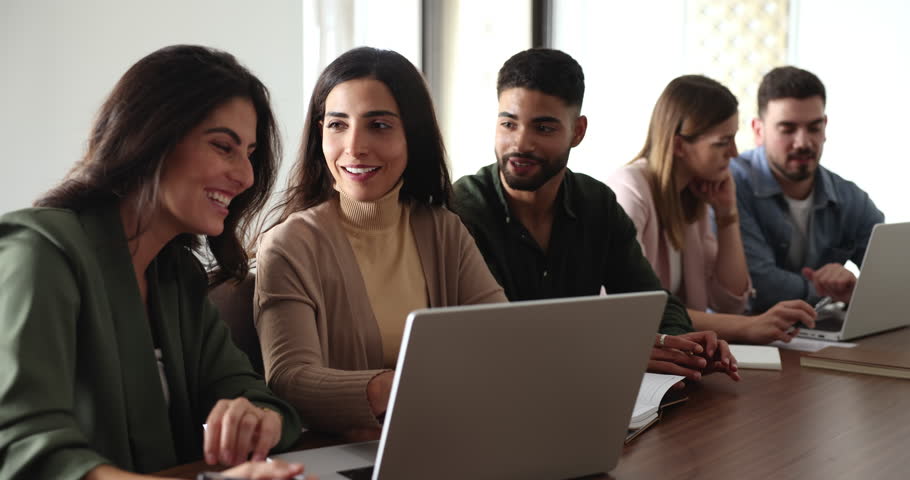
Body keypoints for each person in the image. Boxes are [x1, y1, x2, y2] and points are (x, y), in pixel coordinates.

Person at [0, 45, 307, 480]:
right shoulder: (40, 253)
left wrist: (258, 417)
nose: (247, 176)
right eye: (224, 146)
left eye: (251, 153)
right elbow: (24, 453)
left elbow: (254, 394)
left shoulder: (176, 278)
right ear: (151, 136)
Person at [254, 47, 506, 438]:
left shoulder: (443, 230)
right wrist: (387, 389)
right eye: (338, 125)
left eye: (379, 126)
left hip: (448, 436)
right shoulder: (290, 245)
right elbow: (289, 378)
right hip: (345, 451)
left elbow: (502, 337)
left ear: (413, 136)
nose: (354, 147)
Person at [451, 48, 739, 383]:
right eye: (508, 123)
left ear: (577, 132)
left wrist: (680, 346)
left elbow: (653, 303)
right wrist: (621, 349)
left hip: (581, 394)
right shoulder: (464, 210)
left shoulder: (596, 203)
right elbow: (492, 339)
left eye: (543, 128)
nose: (520, 143)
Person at [607, 75, 817, 344]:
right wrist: (747, 326)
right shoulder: (630, 190)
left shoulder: (691, 197)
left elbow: (729, 301)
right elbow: (632, 308)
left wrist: (727, 214)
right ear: (679, 145)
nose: (734, 153)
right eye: (723, 142)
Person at [731, 66, 884, 313]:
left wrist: (855, 290)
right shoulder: (730, 185)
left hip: (815, 333)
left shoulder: (850, 198)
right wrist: (826, 290)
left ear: (825, 126)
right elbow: (759, 285)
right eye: (788, 129)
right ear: (759, 131)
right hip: (740, 342)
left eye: (814, 128)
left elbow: (891, 278)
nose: (803, 142)